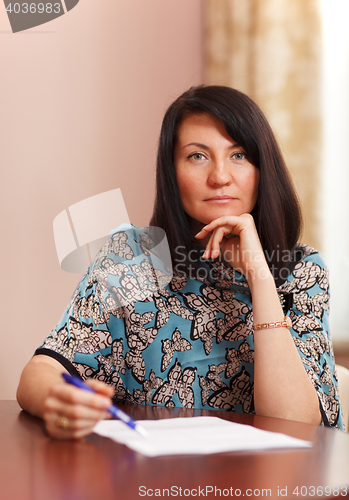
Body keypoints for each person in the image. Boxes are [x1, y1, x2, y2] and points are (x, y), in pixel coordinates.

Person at [17, 85, 344, 438]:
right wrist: (59, 401)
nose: (220, 177)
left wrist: (258, 274)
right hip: (152, 480)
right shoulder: (132, 258)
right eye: (197, 156)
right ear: (172, 172)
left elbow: (294, 426)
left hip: (264, 485)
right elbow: (41, 372)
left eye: (239, 155)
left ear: (262, 169)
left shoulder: (302, 269)